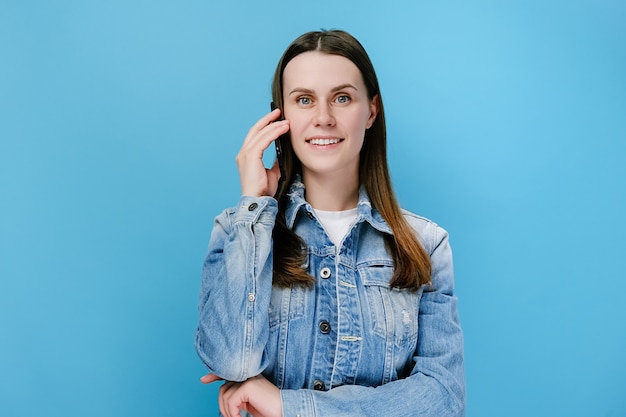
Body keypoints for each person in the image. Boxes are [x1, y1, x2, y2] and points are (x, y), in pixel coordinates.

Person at [195, 29, 465, 417]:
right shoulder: (238, 230)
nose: (323, 118)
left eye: (342, 98)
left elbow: (444, 399)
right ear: (281, 115)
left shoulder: (427, 244)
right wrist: (254, 208)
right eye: (304, 100)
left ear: (371, 111)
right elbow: (233, 362)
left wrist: (288, 406)